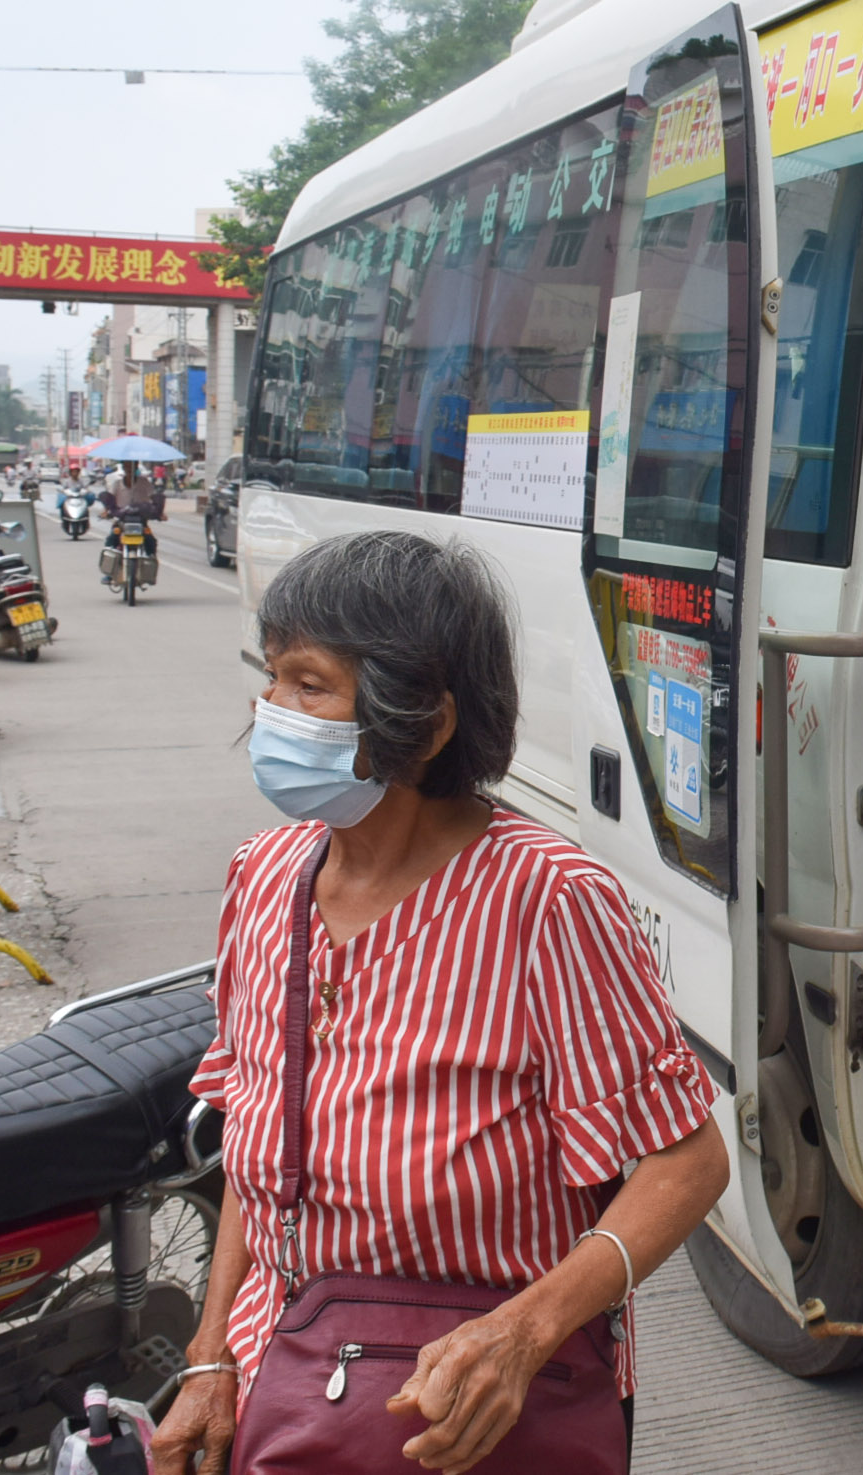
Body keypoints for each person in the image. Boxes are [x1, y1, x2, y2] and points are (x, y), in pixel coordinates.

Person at [150, 532, 728, 1475]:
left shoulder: (546, 899)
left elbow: (687, 1162)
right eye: (272, 679)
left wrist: (523, 1332)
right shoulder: (263, 880)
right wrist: (211, 1355)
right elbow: (260, 1166)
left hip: (471, 1411)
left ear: (421, 717)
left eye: (307, 684)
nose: (269, 713)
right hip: (281, 1380)